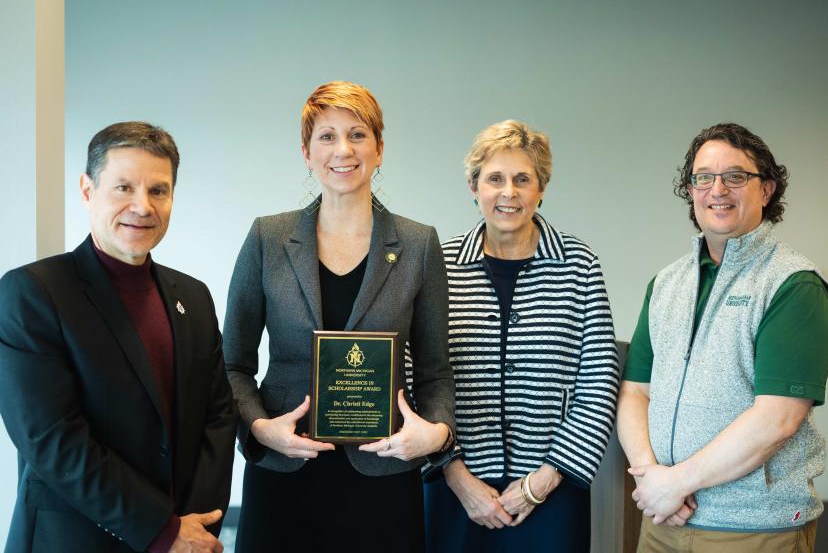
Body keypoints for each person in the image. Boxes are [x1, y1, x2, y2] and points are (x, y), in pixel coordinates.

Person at [224, 81, 455, 553]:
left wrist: (436, 432)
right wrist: (259, 428)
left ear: (380, 148)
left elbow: (436, 373)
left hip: (384, 471)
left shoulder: (418, 245)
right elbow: (232, 365)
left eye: (357, 134)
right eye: (326, 137)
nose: (342, 150)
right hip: (285, 471)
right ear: (306, 153)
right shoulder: (268, 238)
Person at [0, 122, 237, 553]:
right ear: (88, 191)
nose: (142, 206)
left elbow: (218, 417)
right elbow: (52, 440)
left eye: (159, 191)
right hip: (74, 540)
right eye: (123, 187)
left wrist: (196, 529)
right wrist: (161, 531)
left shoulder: (194, 296)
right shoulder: (33, 293)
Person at [617, 122, 828, 552]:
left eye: (736, 176)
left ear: (767, 189)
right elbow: (635, 392)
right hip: (663, 518)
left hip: (752, 527)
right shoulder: (666, 283)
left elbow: (777, 419)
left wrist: (674, 483)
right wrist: (652, 478)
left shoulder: (794, 285)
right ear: (691, 189)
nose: (717, 189)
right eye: (704, 177)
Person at [424, 120, 620, 552]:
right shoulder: (440, 264)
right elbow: (415, 376)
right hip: (455, 488)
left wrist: (542, 481)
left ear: (541, 188)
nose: (508, 193)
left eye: (522, 179)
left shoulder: (579, 264)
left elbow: (599, 383)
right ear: (474, 186)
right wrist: (455, 476)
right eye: (494, 179)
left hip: (553, 489)